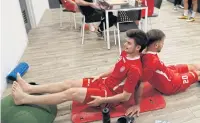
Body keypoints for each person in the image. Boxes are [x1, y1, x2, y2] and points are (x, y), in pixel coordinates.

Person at [11, 29, 148, 107]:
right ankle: (30, 88)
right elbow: (116, 68)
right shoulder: (126, 53)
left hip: (108, 95)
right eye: (126, 42)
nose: (125, 45)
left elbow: (125, 97)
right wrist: (101, 75)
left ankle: (24, 99)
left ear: (138, 48)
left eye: (129, 43)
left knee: (71, 93)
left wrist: (102, 101)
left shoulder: (135, 69)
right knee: (68, 83)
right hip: (103, 83)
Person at [125, 29, 200, 117]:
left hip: (167, 70)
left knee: (193, 66)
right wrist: (137, 104)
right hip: (171, 83)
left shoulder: (144, 51)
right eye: (163, 43)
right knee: (199, 74)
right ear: (157, 45)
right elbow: (139, 82)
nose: (163, 45)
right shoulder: (150, 62)